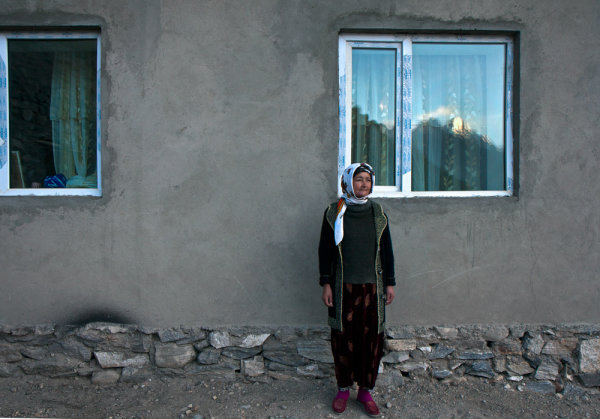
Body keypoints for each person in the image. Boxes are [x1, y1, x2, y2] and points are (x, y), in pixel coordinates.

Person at [318, 162, 395, 417]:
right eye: (359, 179)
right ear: (348, 182)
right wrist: (326, 283)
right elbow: (325, 252)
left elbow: (387, 252)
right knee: (342, 338)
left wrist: (390, 283)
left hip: (372, 288)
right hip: (343, 288)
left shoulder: (378, 213)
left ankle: (365, 390)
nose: (364, 184)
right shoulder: (334, 213)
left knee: (371, 340)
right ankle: (342, 389)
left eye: (368, 180)